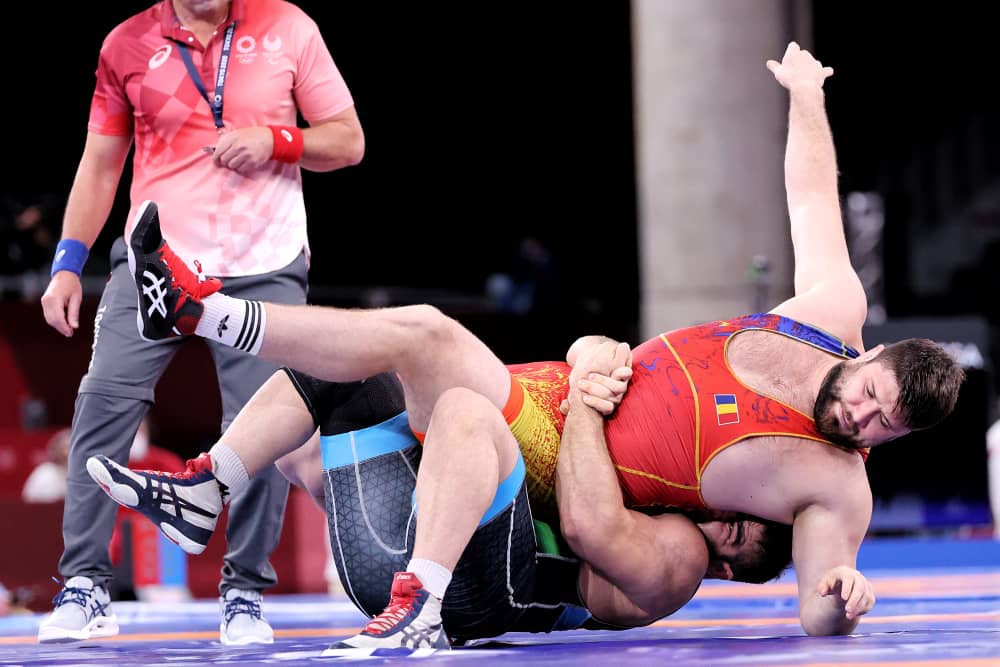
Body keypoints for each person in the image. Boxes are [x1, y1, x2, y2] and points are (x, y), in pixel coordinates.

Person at [102, 40, 964, 640]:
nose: (862, 420)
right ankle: (211, 481)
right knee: (362, 363)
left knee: (425, 337)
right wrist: (808, 95)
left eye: (884, 429)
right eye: (871, 397)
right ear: (867, 355)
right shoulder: (830, 309)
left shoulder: (834, 488)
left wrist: (841, 598)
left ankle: (198, 312)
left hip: (558, 457)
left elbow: (814, 604)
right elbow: (811, 199)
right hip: (544, 410)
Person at [36, 0, 364, 645]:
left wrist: (278, 140)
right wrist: (67, 264)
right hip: (154, 261)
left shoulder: (287, 26)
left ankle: (244, 593)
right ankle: (85, 585)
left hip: (264, 262)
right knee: (102, 407)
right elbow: (101, 163)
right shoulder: (127, 43)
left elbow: (348, 141)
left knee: (264, 428)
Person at [89, 361, 792, 651]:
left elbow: (585, 523)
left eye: (735, 530)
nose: (720, 513)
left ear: (729, 568)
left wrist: (584, 398)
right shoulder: (661, 494)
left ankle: (418, 606)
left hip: (478, 593)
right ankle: (206, 489)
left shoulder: (681, 560)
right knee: (348, 367)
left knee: (466, 405)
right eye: (735, 503)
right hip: (395, 557)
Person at [22, 428, 71, 503]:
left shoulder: (83, 473)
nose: (67, 453)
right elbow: (29, 499)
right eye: (64, 448)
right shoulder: (45, 472)